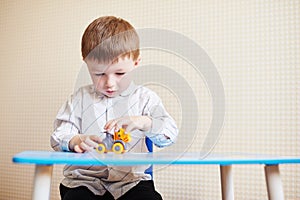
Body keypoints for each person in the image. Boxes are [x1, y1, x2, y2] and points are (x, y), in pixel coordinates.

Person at [50, 16, 178, 200]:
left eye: (119, 73)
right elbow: (58, 137)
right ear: (86, 63)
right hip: (84, 182)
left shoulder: (145, 99)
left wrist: (144, 122)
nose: (110, 83)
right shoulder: (79, 99)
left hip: (132, 183)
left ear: (136, 62)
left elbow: (170, 135)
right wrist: (75, 140)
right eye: (99, 74)